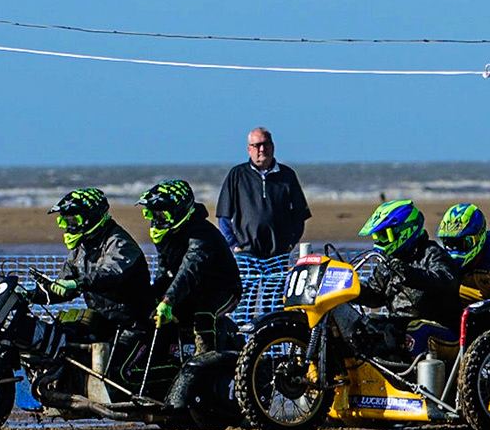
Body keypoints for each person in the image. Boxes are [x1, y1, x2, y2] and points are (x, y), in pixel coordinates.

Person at [28, 188, 155, 334]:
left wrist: (79, 283)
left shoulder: (119, 242)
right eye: (64, 221)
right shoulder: (81, 248)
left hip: (132, 324)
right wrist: (29, 295)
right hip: (102, 321)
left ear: (92, 217)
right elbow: (63, 289)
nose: (68, 227)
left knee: (109, 355)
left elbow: (110, 273)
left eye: (73, 220)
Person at [352, 199, 463, 361]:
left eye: (385, 235)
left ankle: (421, 382)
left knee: (415, 329)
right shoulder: (389, 262)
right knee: (367, 329)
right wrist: (349, 288)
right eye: (378, 236)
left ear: (405, 231)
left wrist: (408, 274)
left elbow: (446, 281)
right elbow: (375, 295)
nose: (381, 242)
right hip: (400, 325)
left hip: (445, 332)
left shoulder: (432, 254)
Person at [139, 180, 242, 352]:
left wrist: (168, 300)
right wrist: (156, 297)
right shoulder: (168, 233)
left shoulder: (202, 235)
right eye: (152, 214)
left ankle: (206, 361)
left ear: (178, 211)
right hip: (193, 291)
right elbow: (164, 269)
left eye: (161, 215)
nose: (156, 220)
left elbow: (189, 270)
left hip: (223, 290)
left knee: (204, 314)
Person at [216, 127, 312, 259]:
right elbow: (223, 215)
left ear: (272, 146)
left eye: (265, 144)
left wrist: (290, 243)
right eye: (257, 145)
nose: (262, 149)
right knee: (247, 281)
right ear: (249, 149)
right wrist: (233, 245)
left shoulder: (287, 175)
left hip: (278, 254)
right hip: (245, 253)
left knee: (276, 281)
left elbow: (299, 214)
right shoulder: (237, 175)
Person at [437, 203, 490, 304]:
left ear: (478, 236)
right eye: (449, 242)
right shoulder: (440, 257)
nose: (454, 249)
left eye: (461, 243)